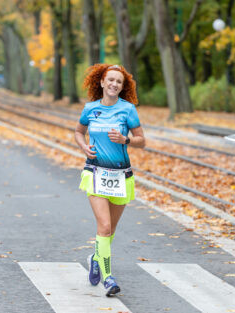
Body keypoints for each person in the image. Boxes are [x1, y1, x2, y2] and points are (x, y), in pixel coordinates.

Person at [75, 64, 146, 296]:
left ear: (122, 87)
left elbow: (141, 140)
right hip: (95, 173)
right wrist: (84, 146)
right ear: (102, 82)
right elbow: (78, 132)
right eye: (111, 80)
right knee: (104, 226)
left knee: (110, 229)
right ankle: (108, 278)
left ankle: (96, 257)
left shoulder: (128, 110)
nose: (114, 84)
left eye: (119, 82)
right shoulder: (90, 109)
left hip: (121, 175)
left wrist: (125, 139)